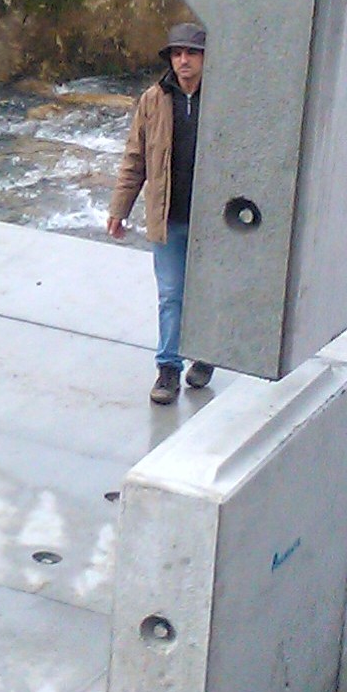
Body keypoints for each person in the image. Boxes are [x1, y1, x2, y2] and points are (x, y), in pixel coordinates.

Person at [106, 22, 218, 405]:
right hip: (167, 217)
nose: (183, 60)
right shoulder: (153, 100)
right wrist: (119, 209)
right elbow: (134, 158)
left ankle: (206, 354)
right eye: (177, 53)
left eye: (191, 53)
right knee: (170, 293)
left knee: (208, 293)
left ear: (206, 58)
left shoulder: (224, 98)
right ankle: (168, 368)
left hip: (213, 221)